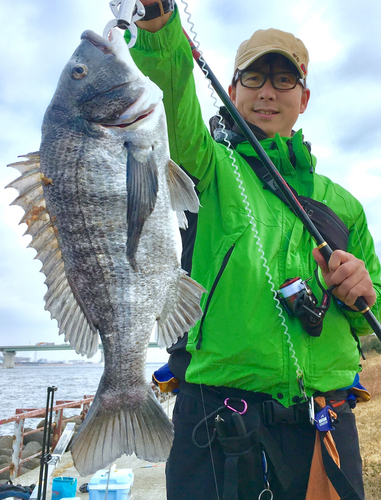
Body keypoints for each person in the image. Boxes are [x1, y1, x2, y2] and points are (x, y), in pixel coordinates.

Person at [129, 2, 381, 499]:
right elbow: (172, 95)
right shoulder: (205, 164)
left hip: (322, 424)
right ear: (233, 87)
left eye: (283, 80)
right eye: (253, 78)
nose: (267, 91)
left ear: (303, 98)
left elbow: (375, 307)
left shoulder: (343, 204)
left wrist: (365, 292)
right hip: (216, 418)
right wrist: (158, 25)